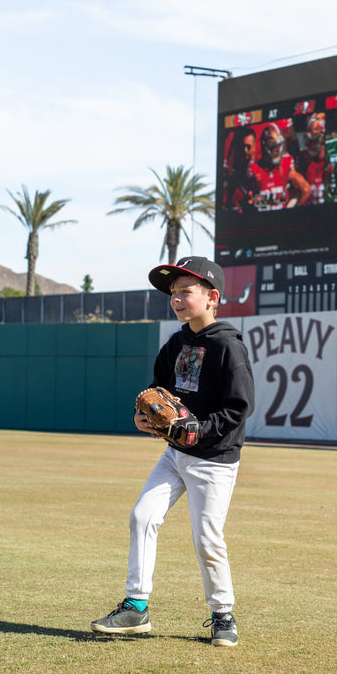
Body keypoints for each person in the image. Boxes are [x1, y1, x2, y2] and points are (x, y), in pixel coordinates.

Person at [91, 256, 254, 647]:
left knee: (207, 539)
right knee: (142, 516)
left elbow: (240, 406)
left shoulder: (228, 345)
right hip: (173, 455)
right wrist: (140, 417)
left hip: (214, 459)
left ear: (212, 297)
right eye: (173, 293)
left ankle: (222, 615)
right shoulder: (176, 343)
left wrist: (201, 431)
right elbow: (155, 392)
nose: (177, 298)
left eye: (186, 291)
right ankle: (135, 607)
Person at [250, 122, 311, 209]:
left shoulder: (285, 165)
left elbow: (306, 190)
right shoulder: (254, 168)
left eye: (279, 146)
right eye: (274, 147)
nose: (277, 150)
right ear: (265, 145)